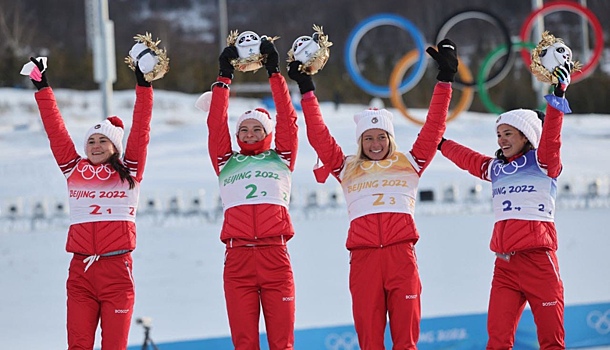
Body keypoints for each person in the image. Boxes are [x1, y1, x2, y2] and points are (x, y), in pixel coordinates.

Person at [288, 39, 458, 349]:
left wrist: (445, 80)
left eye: (381, 137)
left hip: (401, 258)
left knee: (406, 342)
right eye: (369, 138)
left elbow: (434, 127)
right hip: (364, 261)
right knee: (370, 342)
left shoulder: (411, 161)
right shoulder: (346, 167)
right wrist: (306, 88)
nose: (375, 143)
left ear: (390, 139)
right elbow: (318, 134)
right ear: (360, 141)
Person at [436, 62, 574, 348]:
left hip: (539, 262)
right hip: (505, 266)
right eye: (499, 135)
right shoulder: (497, 168)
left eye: (508, 133)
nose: (501, 139)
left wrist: (558, 94)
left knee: (551, 341)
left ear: (526, 136)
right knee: (497, 340)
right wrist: (441, 143)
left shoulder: (543, 162)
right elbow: (470, 160)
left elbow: (551, 136)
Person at [29, 56, 154, 349]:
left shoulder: (130, 171)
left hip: (117, 274)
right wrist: (42, 87)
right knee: (78, 345)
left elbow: (142, 130)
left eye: (103, 141)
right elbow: (55, 131)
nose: (96, 146)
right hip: (80, 273)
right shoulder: (74, 170)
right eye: (91, 141)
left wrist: (143, 86)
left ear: (115, 147)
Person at [205, 37, 298, 350]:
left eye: (256, 129)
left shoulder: (282, 157)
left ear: (268, 133)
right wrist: (223, 77)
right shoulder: (225, 160)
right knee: (244, 343)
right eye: (243, 129)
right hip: (238, 258)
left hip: (275, 256)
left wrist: (274, 72)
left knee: (282, 343)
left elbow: (288, 117)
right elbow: (215, 123)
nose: (249, 133)